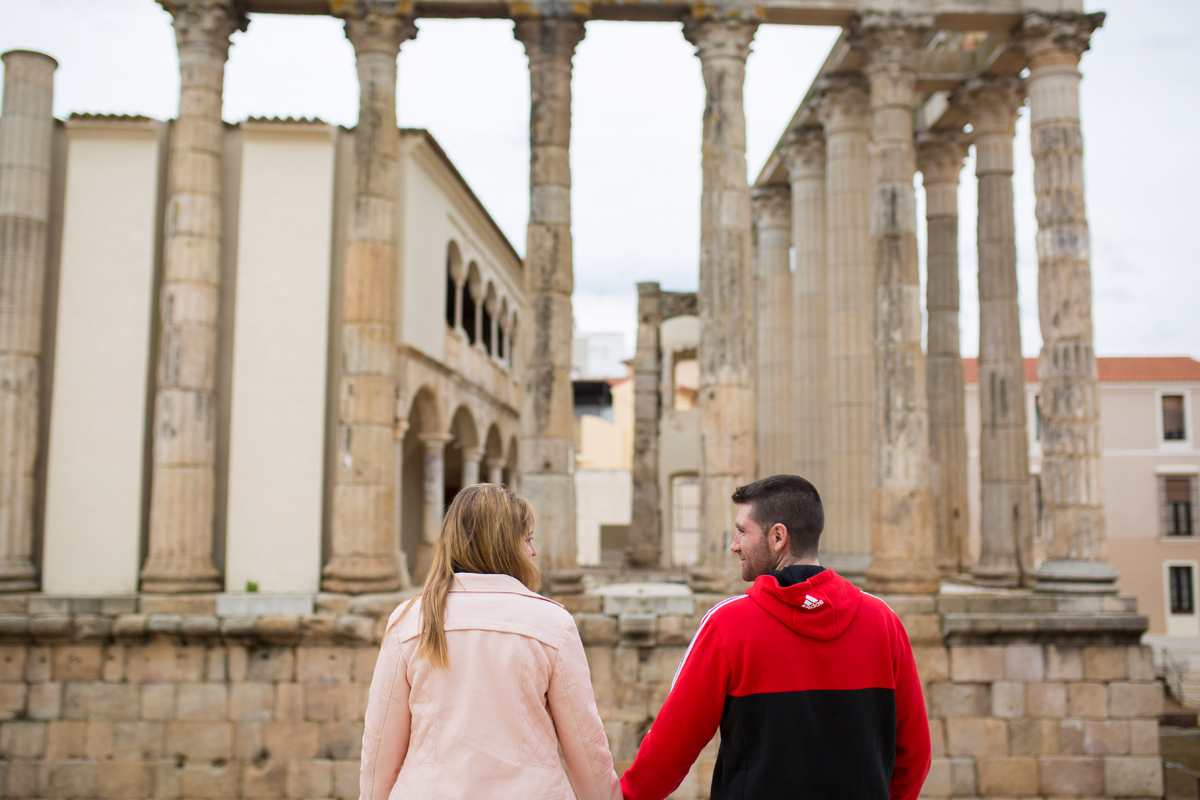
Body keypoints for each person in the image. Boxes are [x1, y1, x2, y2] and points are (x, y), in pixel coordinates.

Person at [619, 474, 931, 800]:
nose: (733, 544)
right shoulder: (884, 622)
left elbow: (668, 750)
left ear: (777, 537)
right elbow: (915, 753)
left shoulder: (727, 625)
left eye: (742, 531)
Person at [360, 483, 622, 800]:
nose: (534, 552)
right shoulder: (552, 624)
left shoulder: (409, 621)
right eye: (527, 539)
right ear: (505, 546)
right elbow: (585, 743)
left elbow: (380, 747)